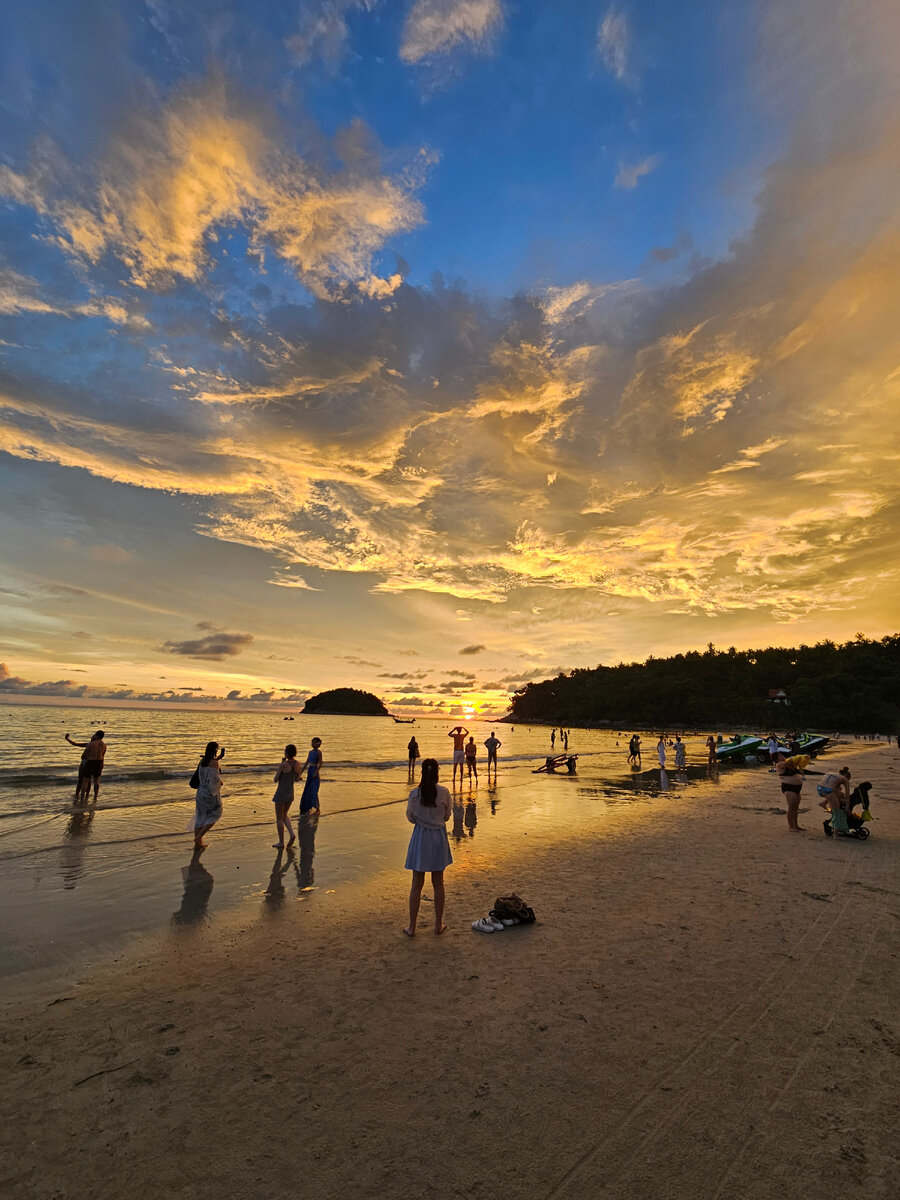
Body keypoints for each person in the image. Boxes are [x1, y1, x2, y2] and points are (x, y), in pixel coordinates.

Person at [402, 758, 452, 937]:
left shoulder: (415, 794)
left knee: (416, 883)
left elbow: (411, 817)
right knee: (438, 883)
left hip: (421, 837)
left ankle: (412, 927)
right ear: (437, 772)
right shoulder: (444, 793)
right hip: (438, 837)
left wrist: (424, 820)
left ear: (422, 773)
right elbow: (447, 816)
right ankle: (438, 924)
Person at [190, 741, 224, 849]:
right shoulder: (215, 763)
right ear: (215, 751)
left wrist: (218, 758)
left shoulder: (202, 761)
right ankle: (199, 837)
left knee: (200, 817)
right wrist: (221, 783)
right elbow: (214, 780)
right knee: (216, 813)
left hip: (200, 793)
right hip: (211, 795)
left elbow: (207, 771)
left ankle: (197, 845)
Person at [271, 744, 301, 848]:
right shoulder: (298, 764)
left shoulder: (283, 765)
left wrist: (281, 765)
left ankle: (281, 842)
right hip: (290, 793)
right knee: (285, 815)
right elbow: (297, 779)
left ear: (287, 753)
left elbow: (275, 779)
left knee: (279, 818)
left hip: (281, 793)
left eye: (285, 751)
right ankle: (292, 834)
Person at [65, 730, 106, 802]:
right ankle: (95, 797)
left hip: (90, 762)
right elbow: (103, 756)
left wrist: (84, 757)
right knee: (96, 782)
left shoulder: (91, 744)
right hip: (99, 763)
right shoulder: (104, 745)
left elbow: (84, 755)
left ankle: (82, 798)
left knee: (85, 781)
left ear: (96, 736)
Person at [774, 753, 806, 832]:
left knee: (796, 807)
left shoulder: (790, 763)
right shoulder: (779, 764)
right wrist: (799, 757)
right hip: (788, 787)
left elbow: (796, 764)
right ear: (777, 759)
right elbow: (789, 762)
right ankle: (791, 826)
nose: (782, 756)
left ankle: (796, 825)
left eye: (782, 755)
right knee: (791, 807)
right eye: (780, 756)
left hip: (797, 788)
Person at [298, 737, 323, 814]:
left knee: (314, 790)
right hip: (309, 771)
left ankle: (317, 808)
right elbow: (306, 763)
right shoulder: (310, 752)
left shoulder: (319, 752)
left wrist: (316, 772)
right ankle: (307, 807)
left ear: (318, 744)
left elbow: (320, 763)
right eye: (312, 742)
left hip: (314, 771)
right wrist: (300, 772)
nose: (312, 744)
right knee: (307, 790)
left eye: (314, 742)